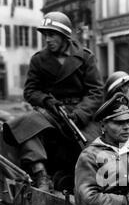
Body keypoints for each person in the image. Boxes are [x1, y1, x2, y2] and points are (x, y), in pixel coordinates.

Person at [3, 11, 104, 192]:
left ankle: (95, 184)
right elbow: (30, 91)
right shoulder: (39, 60)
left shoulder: (85, 57)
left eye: (52, 35)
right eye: (45, 35)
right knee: (26, 124)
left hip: (80, 113)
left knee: (96, 147)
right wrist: (47, 101)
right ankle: (41, 175)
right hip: (52, 112)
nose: (47, 40)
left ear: (65, 36)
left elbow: (96, 91)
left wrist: (80, 114)